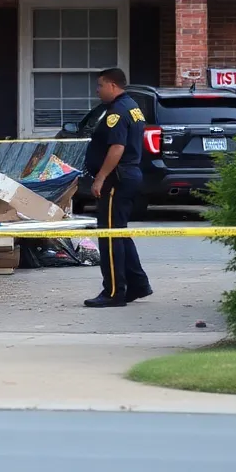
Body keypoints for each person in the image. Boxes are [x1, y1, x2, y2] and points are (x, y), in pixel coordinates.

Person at [82, 67, 151, 308]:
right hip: (128, 175)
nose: (97, 90)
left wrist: (100, 178)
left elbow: (117, 147)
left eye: (100, 85)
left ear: (112, 85)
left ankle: (113, 292)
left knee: (109, 235)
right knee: (118, 232)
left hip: (116, 179)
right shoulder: (132, 106)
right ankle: (138, 284)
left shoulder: (118, 112)